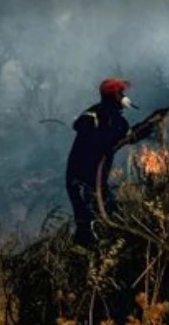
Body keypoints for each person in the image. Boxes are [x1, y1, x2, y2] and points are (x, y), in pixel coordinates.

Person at [65, 78, 159, 247]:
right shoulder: (94, 115)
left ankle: (110, 249)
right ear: (112, 96)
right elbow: (79, 125)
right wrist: (106, 139)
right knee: (86, 221)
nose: (124, 96)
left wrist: (151, 123)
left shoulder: (119, 122)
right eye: (120, 93)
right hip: (79, 179)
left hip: (98, 181)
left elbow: (131, 136)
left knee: (112, 212)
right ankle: (81, 256)